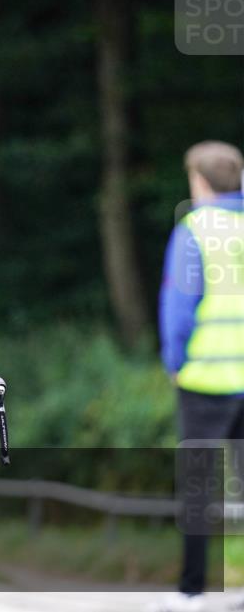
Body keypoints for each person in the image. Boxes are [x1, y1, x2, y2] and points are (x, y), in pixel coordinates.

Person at [154, 141, 244, 612]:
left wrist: (175, 363)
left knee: (197, 488)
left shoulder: (196, 228)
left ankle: (192, 592)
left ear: (201, 182)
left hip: (206, 379)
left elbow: (179, 309)